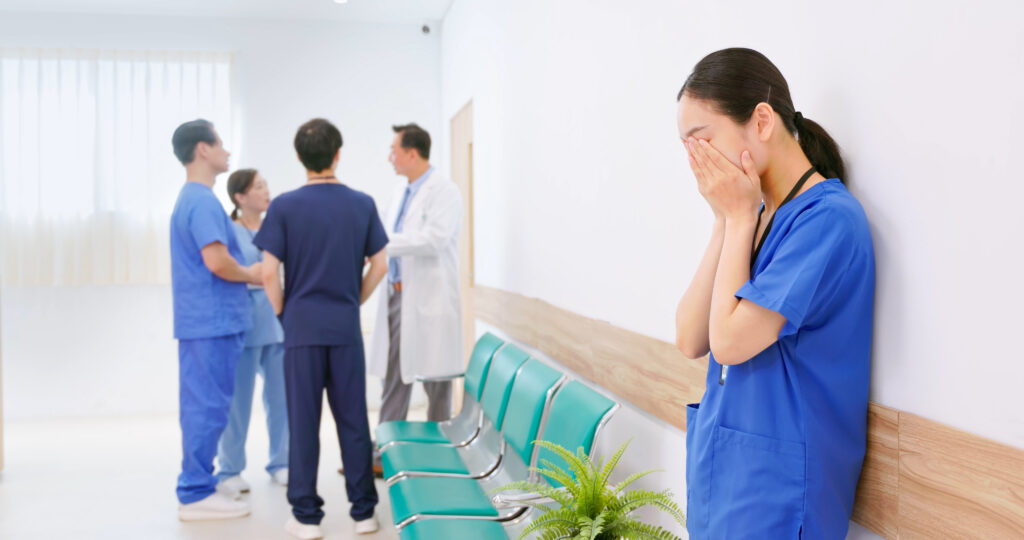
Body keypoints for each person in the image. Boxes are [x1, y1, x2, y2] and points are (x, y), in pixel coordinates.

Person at [674, 48, 875, 539]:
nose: (697, 162)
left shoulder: (829, 221)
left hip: (780, 496)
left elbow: (730, 342)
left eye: (703, 141)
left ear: (761, 121)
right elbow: (690, 336)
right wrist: (727, 219)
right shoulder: (754, 218)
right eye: (687, 148)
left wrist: (740, 217)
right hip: (726, 482)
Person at [256, 118, 388, 539]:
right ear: (338, 154)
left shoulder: (284, 207)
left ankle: (306, 517)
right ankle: (364, 513)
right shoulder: (362, 203)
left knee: (303, 422)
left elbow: (267, 272)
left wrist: (284, 313)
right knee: (353, 422)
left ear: (299, 157)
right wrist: (354, 299)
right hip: (345, 329)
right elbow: (381, 263)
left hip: (301, 329)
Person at [169, 119, 262, 521]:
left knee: (205, 405)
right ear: (203, 150)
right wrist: (255, 274)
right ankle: (194, 493)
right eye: (220, 143)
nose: (226, 150)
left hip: (208, 321)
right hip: (211, 322)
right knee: (205, 406)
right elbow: (218, 262)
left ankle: (200, 482)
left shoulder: (195, 198)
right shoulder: (202, 200)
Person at [368, 123, 464, 434]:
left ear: (412, 153)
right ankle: (386, 447)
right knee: (394, 374)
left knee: (437, 379)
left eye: (393, 150)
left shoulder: (445, 191)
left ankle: (440, 442)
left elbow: (433, 239)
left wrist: (381, 244)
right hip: (397, 295)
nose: (389, 157)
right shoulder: (400, 192)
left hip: (429, 296)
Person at [214, 168, 289, 496]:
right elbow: (224, 272)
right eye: (258, 187)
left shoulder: (279, 227)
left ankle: (282, 462)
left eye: (266, 184)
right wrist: (252, 276)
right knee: (237, 402)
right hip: (243, 324)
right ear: (240, 197)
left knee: (282, 398)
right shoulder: (229, 231)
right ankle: (229, 469)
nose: (265, 191)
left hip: (276, 322)